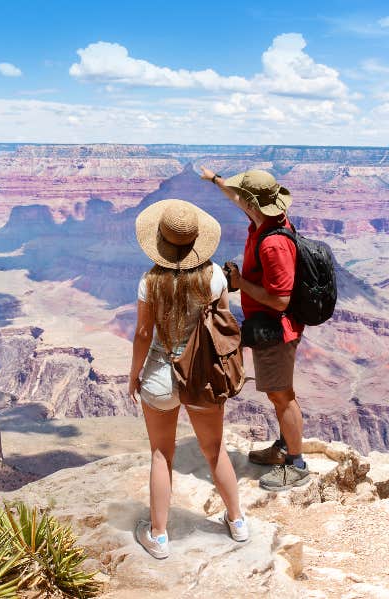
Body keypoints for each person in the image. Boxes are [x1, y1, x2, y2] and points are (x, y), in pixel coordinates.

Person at [129, 198, 249, 560]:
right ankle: (238, 522)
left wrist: (134, 376)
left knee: (161, 454)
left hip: (159, 375)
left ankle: (160, 536)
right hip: (202, 376)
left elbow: (142, 334)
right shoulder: (214, 278)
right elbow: (222, 328)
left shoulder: (150, 282)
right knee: (214, 451)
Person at [200, 167, 310, 492]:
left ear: (254, 203)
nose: (241, 203)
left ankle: (296, 464)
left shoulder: (272, 244)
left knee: (281, 396)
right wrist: (216, 179)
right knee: (278, 394)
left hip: (278, 330)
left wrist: (239, 283)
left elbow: (280, 299)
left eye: (245, 199)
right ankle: (283, 447)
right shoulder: (265, 220)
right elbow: (239, 199)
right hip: (268, 327)